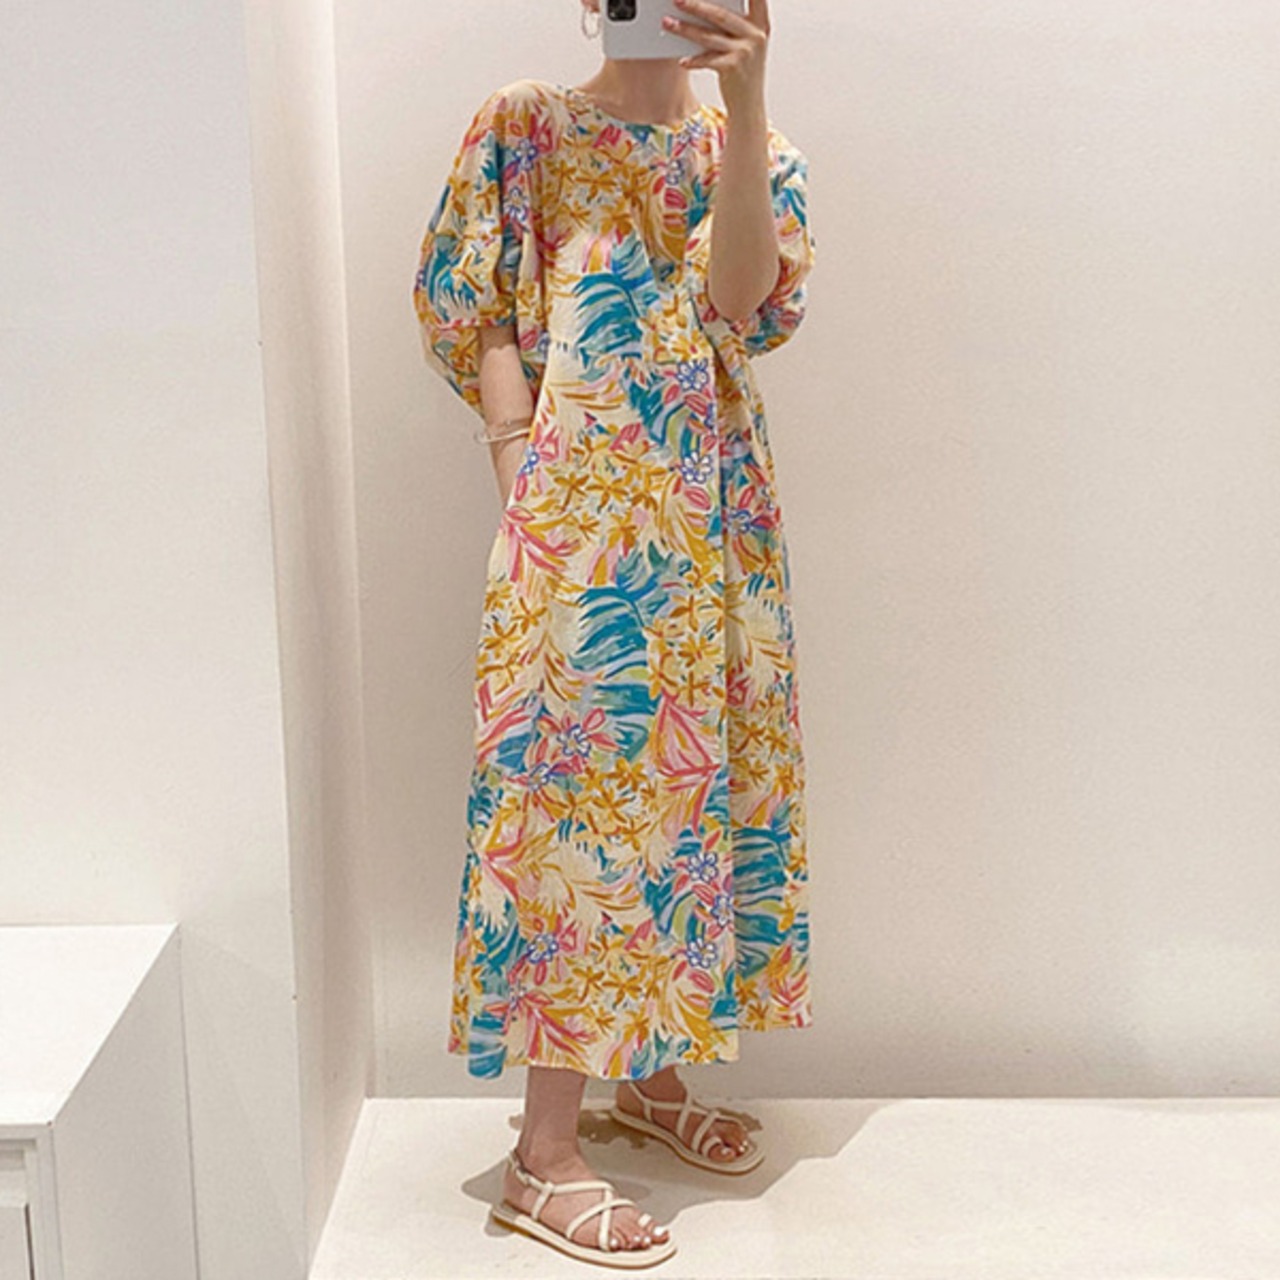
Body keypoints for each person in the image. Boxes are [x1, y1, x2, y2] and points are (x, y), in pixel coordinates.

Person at [412, 0, 816, 1264]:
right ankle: (541, 1153)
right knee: (575, 803)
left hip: (710, 511)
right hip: (576, 520)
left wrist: (744, 107)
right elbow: (471, 304)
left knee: (687, 790)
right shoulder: (525, 124)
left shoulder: (756, 150)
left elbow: (741, 307)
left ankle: (644, 1076)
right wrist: (521, 473)